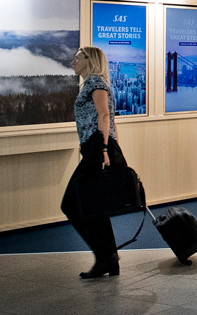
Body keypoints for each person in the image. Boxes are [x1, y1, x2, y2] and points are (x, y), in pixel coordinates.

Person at [61, 46, 127, 279]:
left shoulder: (96, 83)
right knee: (96, 206)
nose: (73, 61)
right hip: (96, 148)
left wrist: (105, 150)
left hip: (96, 149)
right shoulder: (91, 83)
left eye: (77, 58)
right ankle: (109, 258)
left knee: (71, 203)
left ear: (90, 61)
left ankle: (105, 255)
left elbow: (105, 116)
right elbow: (110, 118)